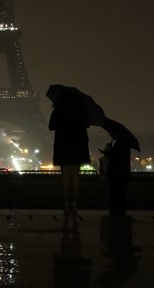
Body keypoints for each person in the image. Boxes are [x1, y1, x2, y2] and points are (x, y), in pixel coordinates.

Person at [49, 94, 90, 230]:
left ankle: (66, 202)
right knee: (76, 175)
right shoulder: (80, 111)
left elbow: (51, 126)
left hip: (63, 145)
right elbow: (87, 124)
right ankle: (75, 202)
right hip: (78, 145)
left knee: (66, 175)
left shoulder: (59, 111)